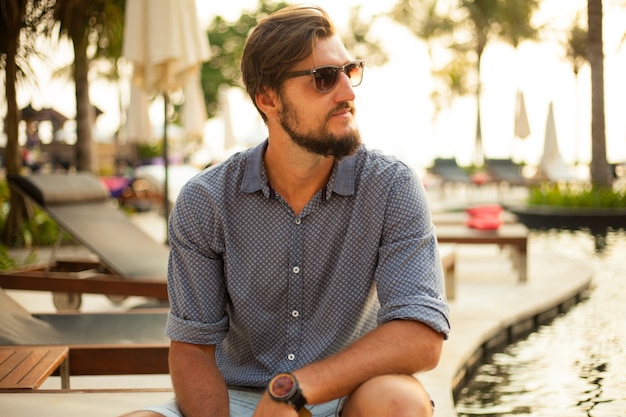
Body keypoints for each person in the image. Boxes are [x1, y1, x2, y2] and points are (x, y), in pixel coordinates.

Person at [122, 5, 449, 417]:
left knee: (400, 402)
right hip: (238, 397)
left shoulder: (391, 187)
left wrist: (293, 390)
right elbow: (192, 348)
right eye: (324, 79)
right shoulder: (206, 200)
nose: (347, 92)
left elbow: (422, 336)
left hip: (350, 392)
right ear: (267, 99)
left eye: (350, 71)